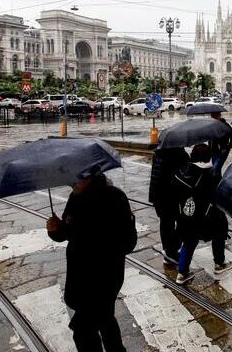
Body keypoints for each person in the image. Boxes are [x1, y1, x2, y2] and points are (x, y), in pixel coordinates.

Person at [46, 165, 137, 352]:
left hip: (104, 278)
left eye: (75, 179)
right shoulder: (76, 197)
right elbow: (67, 232)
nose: (71, 184)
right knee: (105, 320)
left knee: (82, 330)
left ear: (90, 177)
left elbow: (128, 242)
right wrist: (56, 230)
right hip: (80, 277)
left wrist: (96, 238)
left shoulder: (114, 198)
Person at [172, 144, 232, 284]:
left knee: (188, 241)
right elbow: (218, 195)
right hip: (207, 216)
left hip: (186, 216)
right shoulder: (209, 175)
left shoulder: (180, 172)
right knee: (220, 232)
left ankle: (182, 272)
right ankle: (219, 263)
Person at [149, 147, 189, 265]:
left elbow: (154, 176)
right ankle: (170, 251)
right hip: (173, 196)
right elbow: (184, 175)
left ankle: (168, 252)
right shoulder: (180, 154)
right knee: (183, 222)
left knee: (166, 224)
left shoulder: (158, 153)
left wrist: (152, 197)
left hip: (159, 195)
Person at [210, 111, 232, 178]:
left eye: (215, 115)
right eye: (212, 116)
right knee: (217, 170)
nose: (213, 117)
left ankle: (217, 185)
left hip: (222, 151)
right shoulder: (210, 126)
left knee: (215, 169)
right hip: (213, 151)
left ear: (219, 116)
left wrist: (227, 147)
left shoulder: (225, 125)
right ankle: (218, 184)